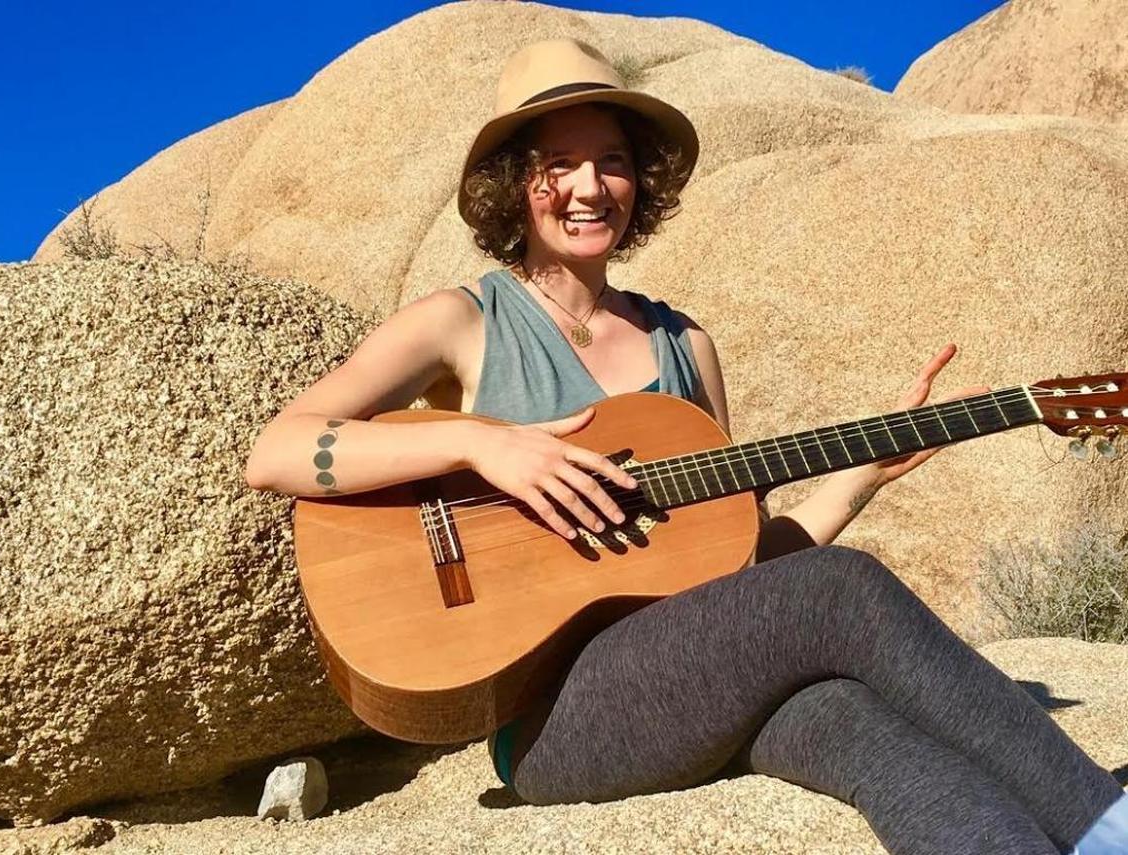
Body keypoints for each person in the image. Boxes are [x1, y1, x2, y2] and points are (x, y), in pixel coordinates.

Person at [245, 37, 1127, 855]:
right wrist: (483, 443)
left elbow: (741, 569)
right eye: (560, 164)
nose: (590, 187)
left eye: (614, 162)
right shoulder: (464, 321)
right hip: (558, 719)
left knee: (861, 727)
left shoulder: (684, 347)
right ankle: (1108, 822)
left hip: (694, 677)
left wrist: (859, 480)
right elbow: (278, 450)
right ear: (517, 183)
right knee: (847, 589)